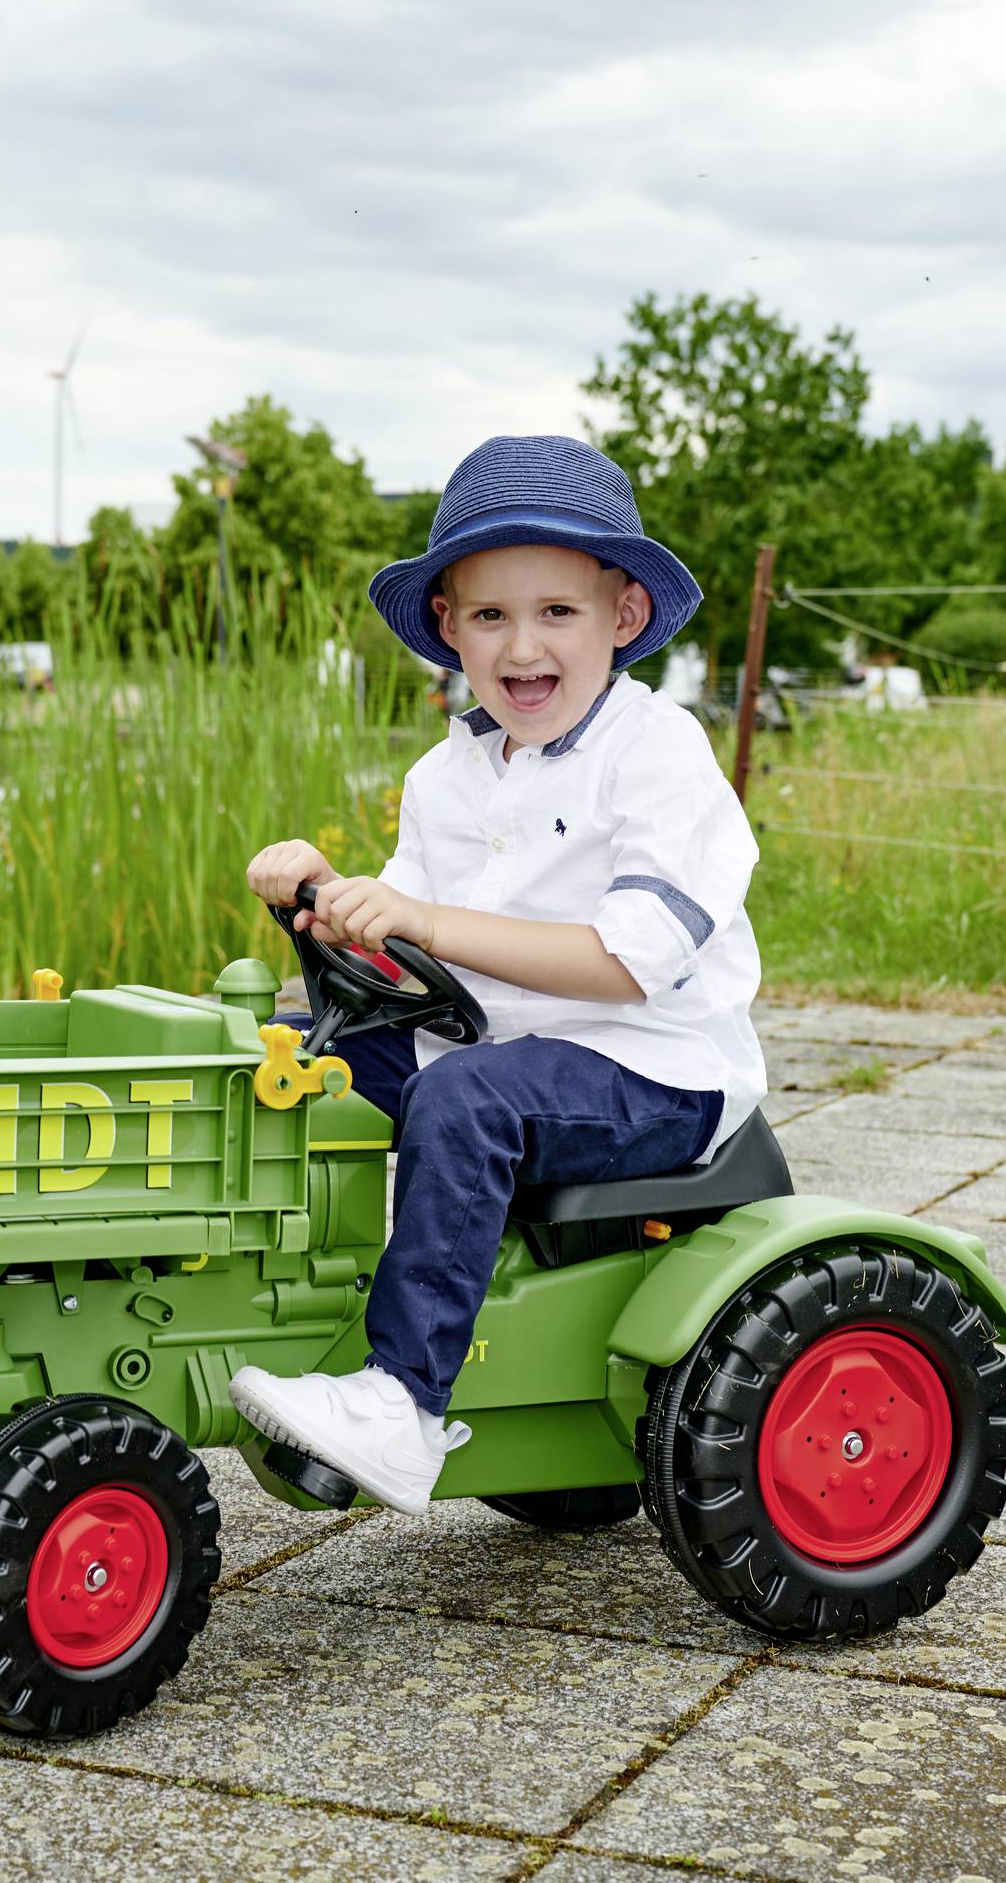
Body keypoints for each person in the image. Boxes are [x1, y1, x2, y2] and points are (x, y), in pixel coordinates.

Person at [230, 434, 766, 1513]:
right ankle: (255, 1303)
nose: (523, 645)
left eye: (557, 611)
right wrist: (325, 895)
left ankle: (403, 1402)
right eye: (489, 615)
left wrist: (425, 917)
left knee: (466, 1099)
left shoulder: (658, 752)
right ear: (448, 626)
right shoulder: (448, 775)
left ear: (623, 614)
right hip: (495, 1045)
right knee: (294, 1065)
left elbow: (624, 963)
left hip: (649, 1067)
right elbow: (408, 948)